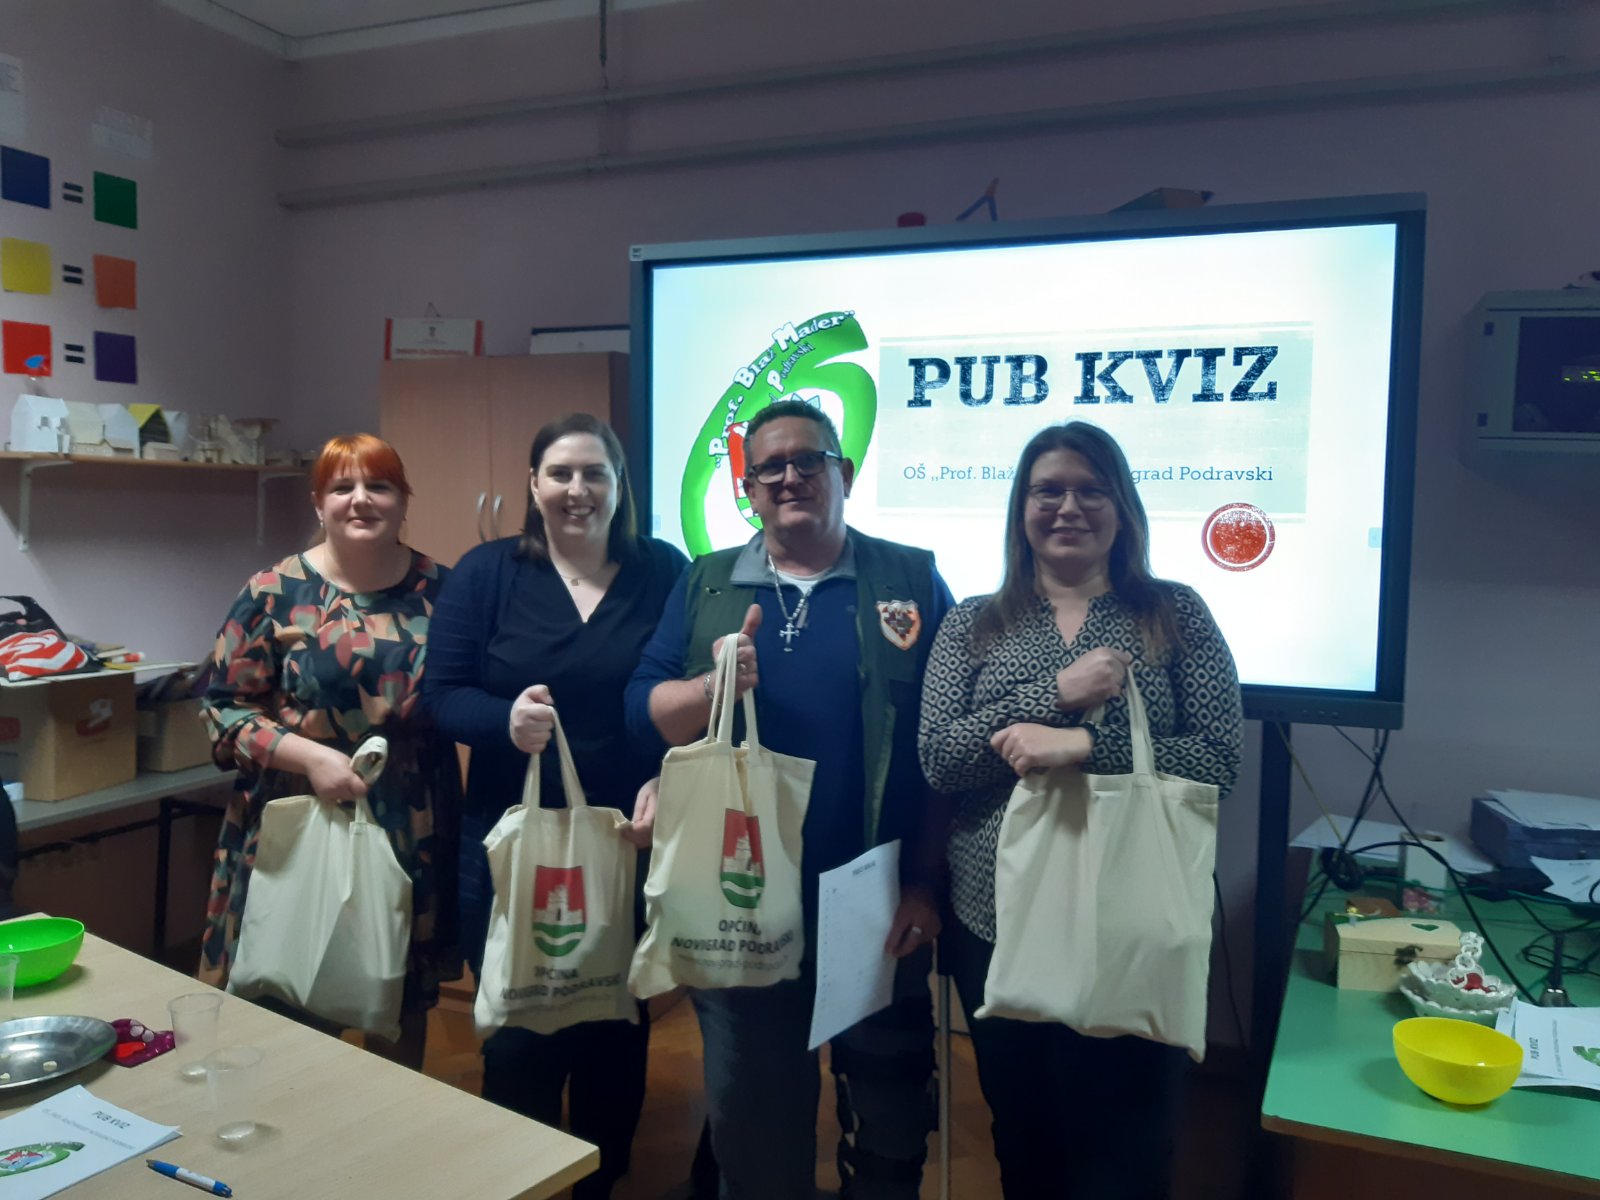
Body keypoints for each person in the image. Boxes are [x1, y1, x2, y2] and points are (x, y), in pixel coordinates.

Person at [625, 399, 954, 1200]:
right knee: (758, 1132)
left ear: (845, 473)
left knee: (890, 1128)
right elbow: (644, 710)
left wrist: (925, 883)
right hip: (740, 900)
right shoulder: (706, 581)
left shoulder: (909, 578)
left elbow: (944, 749)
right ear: (748, 490)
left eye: (809, 460)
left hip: (877, 900)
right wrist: (710, 687)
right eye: (768, 467)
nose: (789, 477)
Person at [917, 420, 1243, 1199]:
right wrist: (1055, 696)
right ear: (1021, 508)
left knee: (1129, 1144)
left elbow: (1219, 762)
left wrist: (1085, 746)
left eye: (1091, 489)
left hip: (1131, 918)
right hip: (995, 918)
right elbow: (940, 758)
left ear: (1122, 506)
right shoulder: (972, 621)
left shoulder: (1174, 613)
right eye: (1048, 491)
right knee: (1026, 1136)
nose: (1069, 507)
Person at [423, 413, 686, 1200]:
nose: (578, 490)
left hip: (626, 839)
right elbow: (442, 696)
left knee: (615, 1020)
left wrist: (670, 776)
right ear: (533, 486)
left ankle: (603, 1176)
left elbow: (680, 698)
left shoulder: (663, 570)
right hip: (511, 842)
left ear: (620, 485)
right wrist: (502, 720)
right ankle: (524, 1176)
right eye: (560, 473)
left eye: (595, 473)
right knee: (519, 1026)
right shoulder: (487, 573)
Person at [200, 433, 461, 1068]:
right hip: (297, 806)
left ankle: (389, 1125)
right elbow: (223, 705)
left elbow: (470, 693)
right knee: (289, 988)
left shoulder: (446, 591)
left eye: (379, 486)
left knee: (396, 999)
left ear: (403, 501)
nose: (361, 500)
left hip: (411, 816)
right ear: (319, 503)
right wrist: (311, 758)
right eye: (343, 487)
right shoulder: (273, 591)